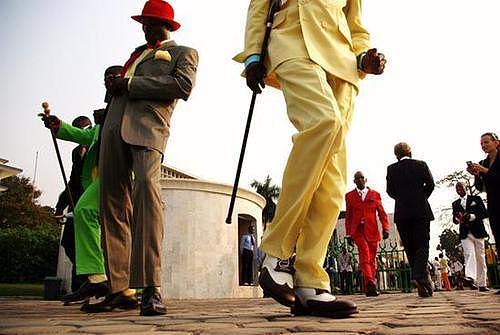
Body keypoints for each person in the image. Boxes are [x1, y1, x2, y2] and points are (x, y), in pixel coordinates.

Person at [234, 0, 386, 318]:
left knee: (332, 178)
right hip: (292, 41)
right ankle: (276, 253)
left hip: (344, 64)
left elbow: (356, 25)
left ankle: (309, 280)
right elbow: (258, 8)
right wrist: (252, 55)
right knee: (323, 121)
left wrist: (365, 56)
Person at [97, 0, 198, 316]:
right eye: (143, 22)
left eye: (151, 22)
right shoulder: (135, 55)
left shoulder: (184, 53)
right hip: (112, 129)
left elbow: (182, 85)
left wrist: (130, 84)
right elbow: (120, 92)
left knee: (146, 195)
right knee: (110, 203)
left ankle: (151, 288)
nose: (145, 28)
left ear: (167, 25)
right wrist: (114, 88)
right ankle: (118, 289)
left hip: (148, 130)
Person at [386, 142, 434, 297]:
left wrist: (402, 199)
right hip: (420, 210)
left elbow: (390, 191)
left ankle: (421, 279)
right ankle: (420, 275)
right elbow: (431, 184)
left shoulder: (391, 169)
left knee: (409, 246)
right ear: (410, 151)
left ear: (396, 154)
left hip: (402, 212)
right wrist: (421, 197)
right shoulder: (421, 165)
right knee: (422, 244)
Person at [54, 116, 92, 294]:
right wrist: (60, 206)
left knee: (90, 243)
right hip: (76, 203)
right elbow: (73, 181)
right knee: (69, 242)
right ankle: (82, 284)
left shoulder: (99, 145)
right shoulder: (76, 153)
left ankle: (87, 284)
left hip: (94, 201)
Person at [345, 171, 390, 296]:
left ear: (366, 180)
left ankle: (369, 286)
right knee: (364, 255)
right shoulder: (349, 196)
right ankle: (370, 282)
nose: (360, 180)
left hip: (372, 231)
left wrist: (385, 228)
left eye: (362, 178)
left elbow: (382, 213)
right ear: (354, 181)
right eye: (357, 178)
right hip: (358, 231)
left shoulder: (375, 195)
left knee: (372, 259)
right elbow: (348, 216)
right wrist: (348, 234)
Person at [468, 133, 499, 262]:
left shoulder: (485, 165)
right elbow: (480, 187)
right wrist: (476, 175)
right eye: (481, 143)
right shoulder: (484, 162)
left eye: (486, 142)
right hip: (493, 204)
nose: (484, 145)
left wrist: (485, 170)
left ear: (496, 142)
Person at [452, 181, 489, 291]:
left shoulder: (476, 199)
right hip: (465, 232)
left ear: (465, 188)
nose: (459, 190)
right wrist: (457, 218)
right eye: (457, 188)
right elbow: (454, 220)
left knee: (480, 257)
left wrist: (472, 216)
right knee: (469, 254)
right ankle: (470, 277)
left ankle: (482, 283)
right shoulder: (455, 204)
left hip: (477, 230)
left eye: (460, 187)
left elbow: (484, 213)